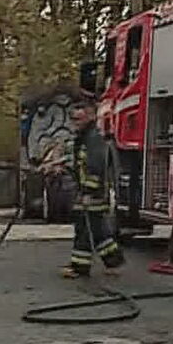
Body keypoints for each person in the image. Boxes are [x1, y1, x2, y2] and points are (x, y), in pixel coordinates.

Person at [62, 97, 124, 279]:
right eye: (73, 119)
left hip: (92, 194)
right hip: (87, 192)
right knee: (97, 231)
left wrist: (88, 192)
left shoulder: (93, 139)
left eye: (78, 119)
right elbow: (80, 165)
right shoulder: (84, 138)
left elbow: (95, 167)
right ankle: (113, 261)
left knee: (84, 229)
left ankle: (79, 267)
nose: (75, 123)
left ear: (90, 117)